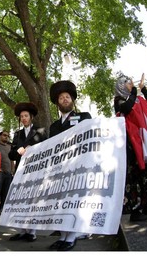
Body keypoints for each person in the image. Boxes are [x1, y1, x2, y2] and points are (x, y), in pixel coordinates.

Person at [114, 72, 147, 222]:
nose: (130, 84)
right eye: (127, 82)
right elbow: (127, 108)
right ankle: (136, 211)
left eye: (131, 82)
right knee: (137, 175)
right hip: (132, 144)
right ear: (120, 86)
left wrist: (143, 90)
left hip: (145, 141)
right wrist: (134, 93)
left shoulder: (138, 98)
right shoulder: (119, 100)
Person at [48, 80, 92, 251]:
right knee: (61, 202)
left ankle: (72, 236)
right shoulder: (54, 126)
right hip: (60, 169)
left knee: (74, 201)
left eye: (67, 97)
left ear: (72, 100)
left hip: (78, 166)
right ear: (57, 103)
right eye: (61, 98)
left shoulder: (84, 117)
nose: (64, 99)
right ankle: (63, 235)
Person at [8, 102, 47, 242]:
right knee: (19, 202)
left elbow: (46, 149)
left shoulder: (40, 131)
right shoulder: (17, 134)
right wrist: (17, 152)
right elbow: (11, 155)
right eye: (21, 116)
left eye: (26, 116)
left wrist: (31, 148)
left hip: (35, 170)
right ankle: (22, 230)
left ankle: (32, 232)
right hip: (20, 172)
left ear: (31, 117)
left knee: (33, 201)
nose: (23, 118)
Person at [0, 130, 14, 223]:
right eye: (4, 135)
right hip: (0, 174)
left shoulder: (10, 147)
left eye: (8, 136)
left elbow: (12, 160)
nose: (6, 137)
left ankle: (2, 216)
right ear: (0, 136)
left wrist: (13, 171)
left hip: (9, 175)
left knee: (5, 195)